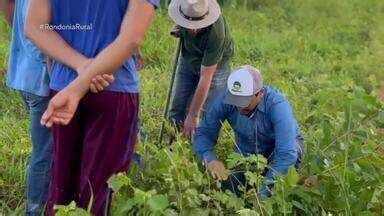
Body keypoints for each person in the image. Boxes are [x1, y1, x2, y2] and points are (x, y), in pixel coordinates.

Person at [25, 0, 158, 214]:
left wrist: (81, 69)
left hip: (63, 87)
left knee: (61, 188)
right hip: (114, 88)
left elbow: (35, 27)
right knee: (100, 192)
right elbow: (132, 38)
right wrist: (86, 76)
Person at [193, 66, 304, 197]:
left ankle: (285, 183)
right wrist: (210, 159)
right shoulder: (225, 98)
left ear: (260, 93)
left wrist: (263, 195)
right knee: (229, 188)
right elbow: (204, 133)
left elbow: (286, 153)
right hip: (247, 154)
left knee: (290, 157)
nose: (239, 107)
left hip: (278, 153)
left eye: (244, 101)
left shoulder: (277, 105)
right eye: (236, 100)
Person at [3, 0, 51, 214]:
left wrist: (25, 33)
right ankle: (35, 210)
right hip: (43, 78)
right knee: (46, 152)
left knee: (44, 149)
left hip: (25, 71)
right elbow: (45, 32)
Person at [168, 0, 234, 138]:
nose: (194, 29)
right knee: (177, 107)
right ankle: (173, 145)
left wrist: (193, 115)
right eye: (189, 23)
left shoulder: (216, 33)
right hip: (189, 58)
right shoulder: (183, 7)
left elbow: (206, 77)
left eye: (198, 24)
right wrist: (180, 26)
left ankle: (200, 150)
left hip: (216, 67)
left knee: (207, 113)